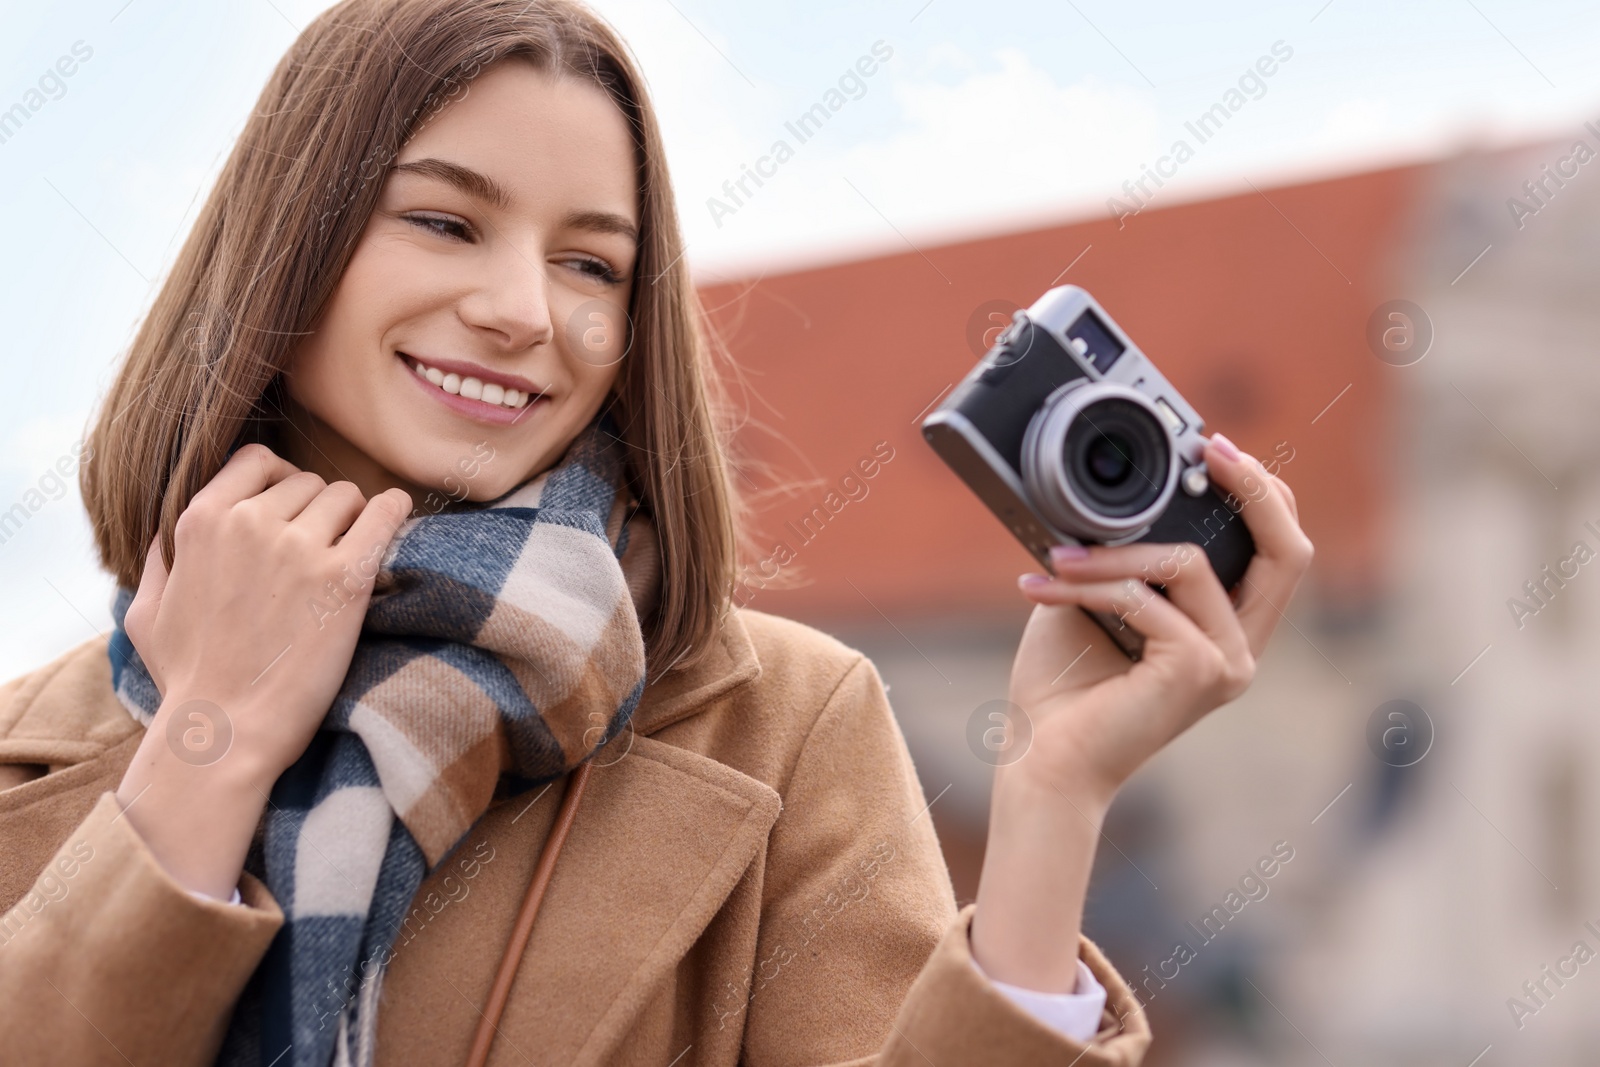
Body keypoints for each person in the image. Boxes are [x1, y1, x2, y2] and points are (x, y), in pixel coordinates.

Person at [0, 1, 1314, 1064]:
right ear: (288, 252)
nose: (525, 310)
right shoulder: (27, 746)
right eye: (446, 220)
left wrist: (1051, 797)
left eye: (592, 265)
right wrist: (207, 739)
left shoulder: (784, 731)